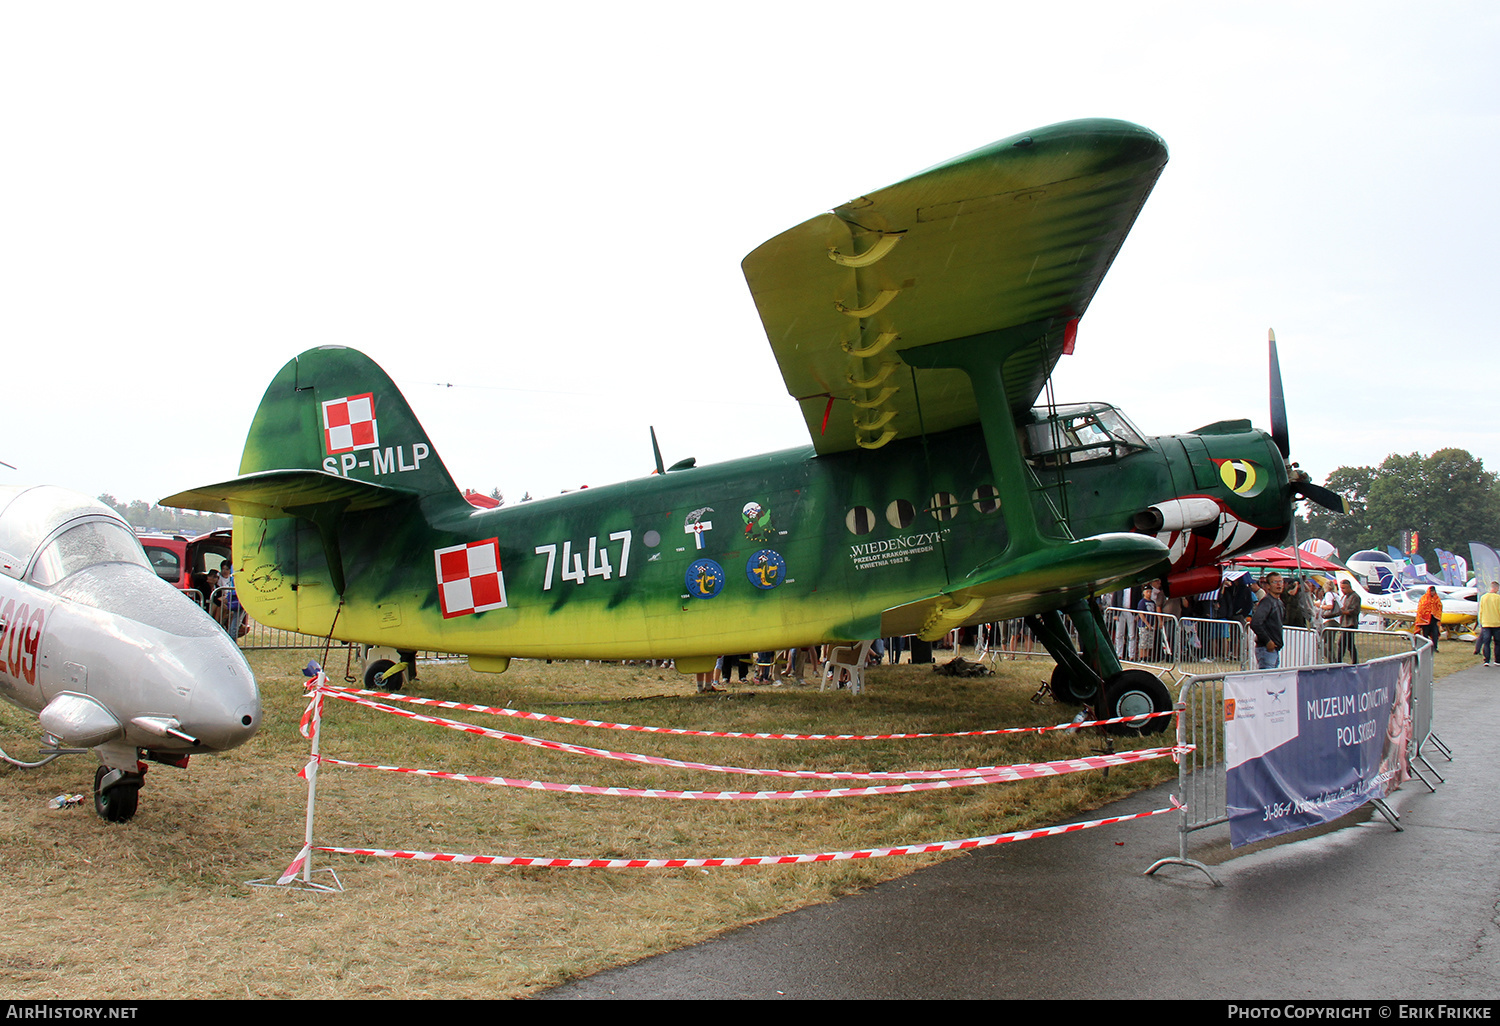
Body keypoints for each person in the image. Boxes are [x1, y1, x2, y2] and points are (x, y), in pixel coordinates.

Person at [1250, 572, 1285, 669]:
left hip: (1274, 649)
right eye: (1275, 582)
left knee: (1271, 680)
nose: (1279, 584)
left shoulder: (1279, 602)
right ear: (1268, 586)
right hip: (1266, 649)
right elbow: (1255, 623)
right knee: (1266, 680)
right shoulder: (1267, 601)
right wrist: (1268, 641)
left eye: (1280, 581)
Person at [1337, 578, 1361, 664]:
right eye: (1341, 588)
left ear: (1349, 587)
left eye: (1344, 588)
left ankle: (1339, 662)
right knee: (1349, 645)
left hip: (1350, 624)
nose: (1342, 590)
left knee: (1342, 644)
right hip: (1344, 623)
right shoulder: (1346, 597)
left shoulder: (1355, 597)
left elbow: (1354, 611)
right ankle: (1354, 661)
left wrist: (1342, 612)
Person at [1414, 586, 1442, 653]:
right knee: (1425, 635)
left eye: (1433, 591)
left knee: (1435, 634)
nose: (1432, 592)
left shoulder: (1437, 599)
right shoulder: (1424, 598)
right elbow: (1421, 608)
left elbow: (1439, 607)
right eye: (1431, 591)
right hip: (1425, 621)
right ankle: (1425, 648)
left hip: (1433, 620)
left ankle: (1435, 647)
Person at [1479, 582, 1500, 666]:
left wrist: (1481, 621)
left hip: (1486, 623)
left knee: (1486, 642)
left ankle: (1486, 660)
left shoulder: (1483, 598)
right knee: (1497, 642)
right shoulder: (1498, 598)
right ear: (1496, 588)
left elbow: (1481, 611)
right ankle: (1497, 660)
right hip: (1496, 623)